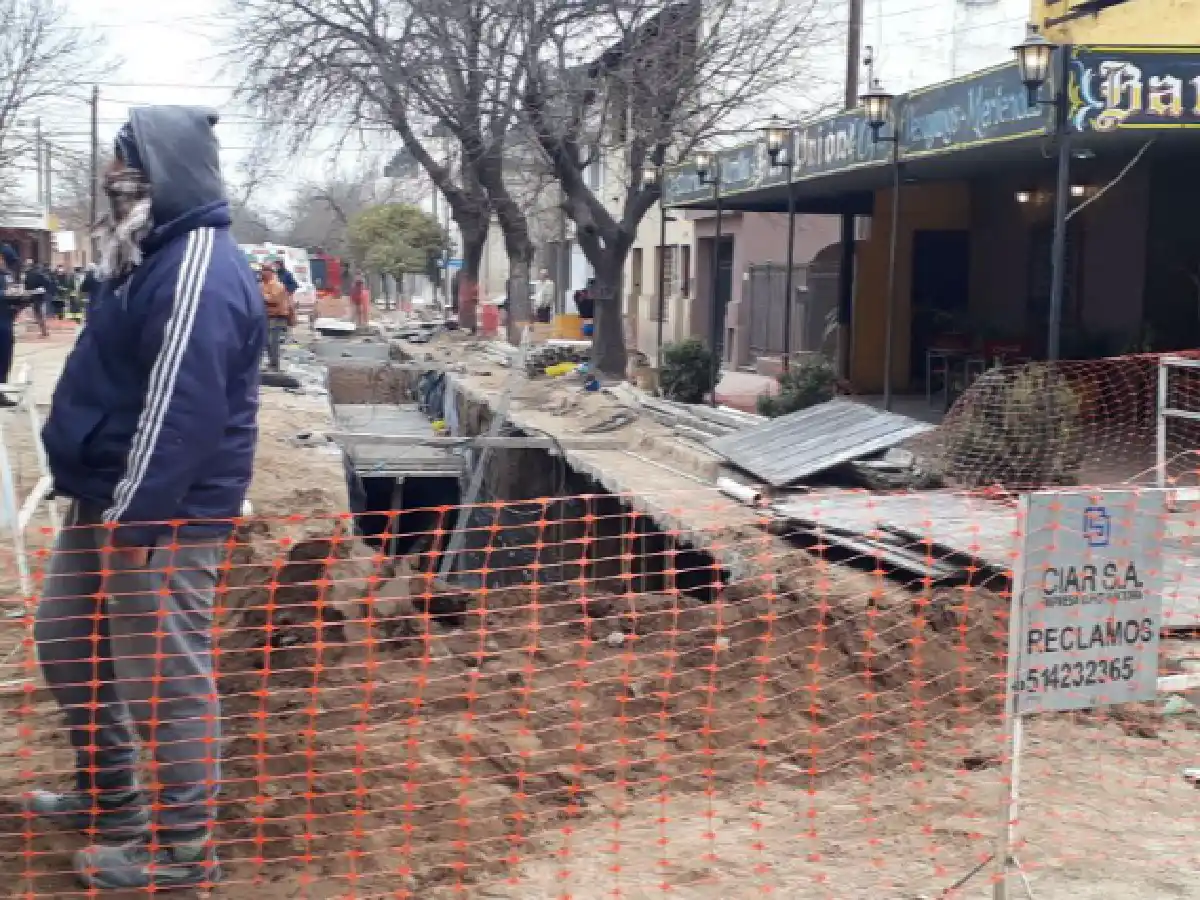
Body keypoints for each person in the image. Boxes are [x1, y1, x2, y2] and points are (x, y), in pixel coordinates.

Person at [30, 106, 264, 892]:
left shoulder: (197, 263)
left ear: (161, 168)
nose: (109, 175)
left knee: (165, 678)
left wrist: (138, 514)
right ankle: (116, 803)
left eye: (122, 160)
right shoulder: (141, 254)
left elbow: (181, 407)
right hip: (108, 494)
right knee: (68, 647)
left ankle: (182, 852)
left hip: (163, 511)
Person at [261, 263, 295, 371]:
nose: (263, 272)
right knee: (267, 341)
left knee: (273, 341)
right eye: (263, 270)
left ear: (271, 272)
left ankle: (274, 364)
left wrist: (262, 297)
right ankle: (271, 362)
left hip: (278, 316)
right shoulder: (263, 285)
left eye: (266, 270)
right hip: (267, 316)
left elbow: (274, 300)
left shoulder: (277, 285)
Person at [22, 261, 51, 337]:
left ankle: (44, 331)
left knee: (38, 314)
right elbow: (47, 283)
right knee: (39, 313)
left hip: (33, 296)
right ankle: (44, 330)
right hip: (40, 295)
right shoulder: (39, 274)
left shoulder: (28, 275)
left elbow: (26, 285)